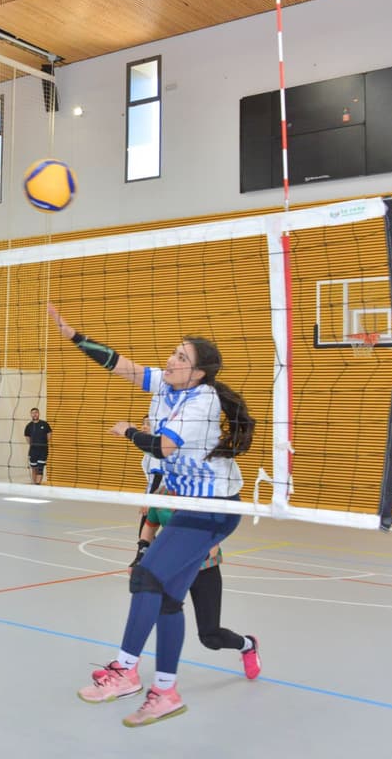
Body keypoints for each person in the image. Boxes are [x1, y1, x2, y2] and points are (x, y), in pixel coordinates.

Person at [48, 303, 255, 727]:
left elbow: (164, 448)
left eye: (182, 357)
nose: (171, 360)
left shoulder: (202, 401)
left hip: (214, 508)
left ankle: (125, 670)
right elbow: (120, 366)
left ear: (198, 372)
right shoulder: (166, 385)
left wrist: (127, 431)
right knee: (165, 599)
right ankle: (165, 691)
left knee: (146, 577)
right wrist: (74, 336)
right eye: (174, 353)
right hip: (189, 507)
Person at [132, 507, 261, 680]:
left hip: (204, 571)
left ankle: (248, 645)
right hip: (173, 570)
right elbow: (149, 526)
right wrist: (141, 556)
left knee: (210, 637)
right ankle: (127, 666)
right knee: (148, 611)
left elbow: (212, 549)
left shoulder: (199, 503)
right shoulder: (161, 497)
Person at [23, 407, 51, 484]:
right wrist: (33, 445)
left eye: (36, 412)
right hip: (33, 451)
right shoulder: (29, 426)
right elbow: (27, 438)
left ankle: (37, 486)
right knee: (34, 468)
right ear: (31, 415)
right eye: (33, 413)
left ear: (39, 413)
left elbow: (49, 435)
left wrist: (42, 444)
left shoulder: (44, 424)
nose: (35, 414)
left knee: (40, 468)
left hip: (43, 450)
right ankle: (34, 484)